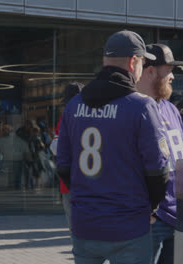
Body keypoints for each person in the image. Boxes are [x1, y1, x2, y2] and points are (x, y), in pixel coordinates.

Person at [56, 30, 170, 264]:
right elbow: (158, 170)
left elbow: (63, 165)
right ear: (133, 62)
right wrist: (150, 207)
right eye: (143, 62)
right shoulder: (142, 107)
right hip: (129, 226)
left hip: (85, 224)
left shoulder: (74, 105)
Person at [136, 43, 183, 264]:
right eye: (169, 70)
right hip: (150, 219)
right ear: (150, 71)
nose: (173, 77)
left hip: (177, 216)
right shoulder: (133, 109)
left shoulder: (171, 109)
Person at [50, 82, 84, 230]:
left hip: (69, 182)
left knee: (75, 228)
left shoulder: (66, 117)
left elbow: (56, 148)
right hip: (94, 181)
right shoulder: (97, 116)